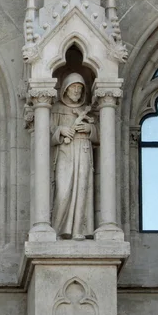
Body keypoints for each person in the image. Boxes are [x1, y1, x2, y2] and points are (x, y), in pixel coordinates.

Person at [50, 72, 98, 240]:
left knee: (82, 188)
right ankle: (56, 229)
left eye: (80, 88)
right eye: (73, 87)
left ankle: (79, 229)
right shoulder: (56, 109)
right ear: (65, 89)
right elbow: (45, 136)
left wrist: (89, 130)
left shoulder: (87, 111)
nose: (77, 91)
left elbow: (100, 136)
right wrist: (60, 131)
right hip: (65, 151)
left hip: (84, 149)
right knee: (63, 190)